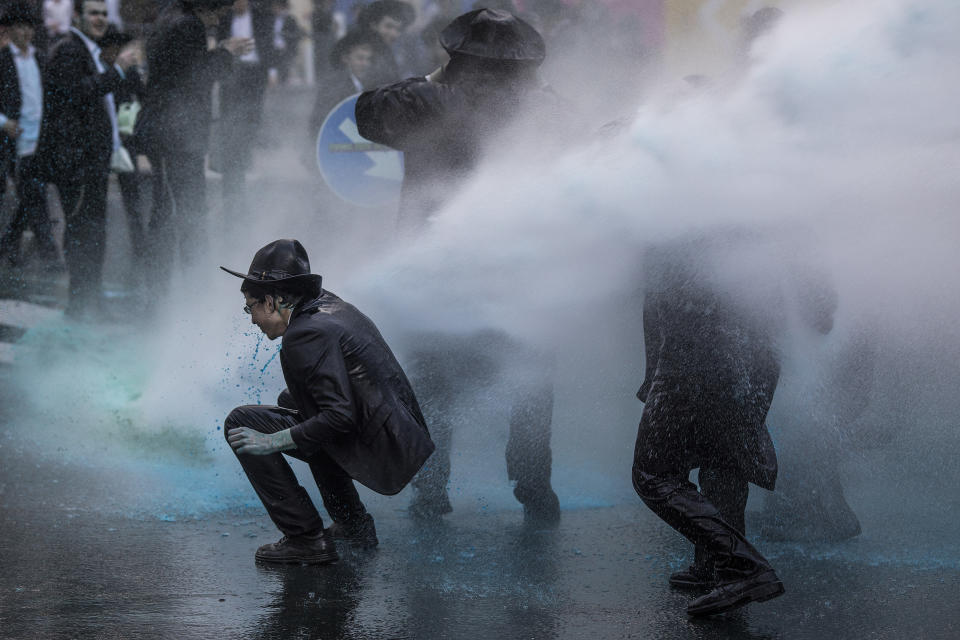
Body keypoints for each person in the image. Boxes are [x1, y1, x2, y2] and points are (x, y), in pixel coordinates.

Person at [355, 9, 569, 524]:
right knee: (531, 374)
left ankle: (431, 490)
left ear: (457, 57)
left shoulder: (429, 99)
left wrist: (432, 76)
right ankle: (534, 486)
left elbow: (365, 114)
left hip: (436, 266)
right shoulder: (544, 108)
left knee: (431, 378)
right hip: (520, 269)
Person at [631, 230, 834, 617]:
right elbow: (816, 302)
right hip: (754, 353)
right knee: (723, 457)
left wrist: (653, 369)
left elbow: (658, 291)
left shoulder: (669, 204)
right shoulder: (754, 199)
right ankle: (715, 566)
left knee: (653, 473)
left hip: (700, 347)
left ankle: (743, 567)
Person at [220, 238, 435, 564]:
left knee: (241, 423)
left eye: (251, 307)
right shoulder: (330, 307)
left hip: (376, 440)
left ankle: (305, 538)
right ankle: (354, 527)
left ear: (274, 300)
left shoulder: (305, 334)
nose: (251, 319)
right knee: (293, 400)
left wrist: (270, 441)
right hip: (396, 435)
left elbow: (339, 417)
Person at [34, 0, 138, 317]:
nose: (100, 19)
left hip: (90, 161)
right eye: (94, 12)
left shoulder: (87, 49)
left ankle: (91, 299)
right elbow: (76, 93)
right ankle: (79, 304)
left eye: (105, 13)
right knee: (82, 234)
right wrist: (118, 70)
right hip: (76, 163)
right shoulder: (69, 49)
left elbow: (105, 99)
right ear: (78, 16)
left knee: (93, 233)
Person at [137, 0, 250, 288]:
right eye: (217, 12)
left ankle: (178, 284)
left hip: (170, 131)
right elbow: (195, 76)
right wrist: (226, 52)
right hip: (175, 134)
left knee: (175, 210)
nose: (216, 20)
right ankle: (181, 287)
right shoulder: (189, 24)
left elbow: (181, 68)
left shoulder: (171, 15)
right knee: (179, 212)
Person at [0, 1, 59, 270]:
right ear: (9, 30)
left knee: (33, 195)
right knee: (33, 195)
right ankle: (50, 254)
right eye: (19, 27)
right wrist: (4, 122)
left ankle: (9, 243)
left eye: (28, 27)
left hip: (41, 137)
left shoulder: (41, 59)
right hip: (14, 140)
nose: (24, 33)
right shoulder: (2, 60)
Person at [214, 0, 270, 218]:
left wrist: (271, 69)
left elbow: (267, 43)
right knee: (230, 121)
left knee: (251, 117)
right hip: (232, 72)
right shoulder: (225, 16)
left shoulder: (260, 15)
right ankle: (232, 155)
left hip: (254, 70)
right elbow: (220, 42)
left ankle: (246, 148)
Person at [307, 29, 374, 139]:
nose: (365, 64)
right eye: (360, 58)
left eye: (368, 59)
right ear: (346, 59)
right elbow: (320, 121)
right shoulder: (333, 86)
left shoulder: (370, 85)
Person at [354, 0, 413, 89]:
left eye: (398, 29)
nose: (394, 34)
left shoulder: (387, 53)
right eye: (388, 26)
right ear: (373, 25)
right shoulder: (361, 51)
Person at [266, 0, 302, 84]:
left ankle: (283, 86)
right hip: (273, 50)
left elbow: (296, 35)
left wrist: (285, 36)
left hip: (285, 50)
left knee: (284, 71)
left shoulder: (291, 19)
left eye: (277, 7)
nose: (275, 9)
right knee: (273, 70)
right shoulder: (270, 20)